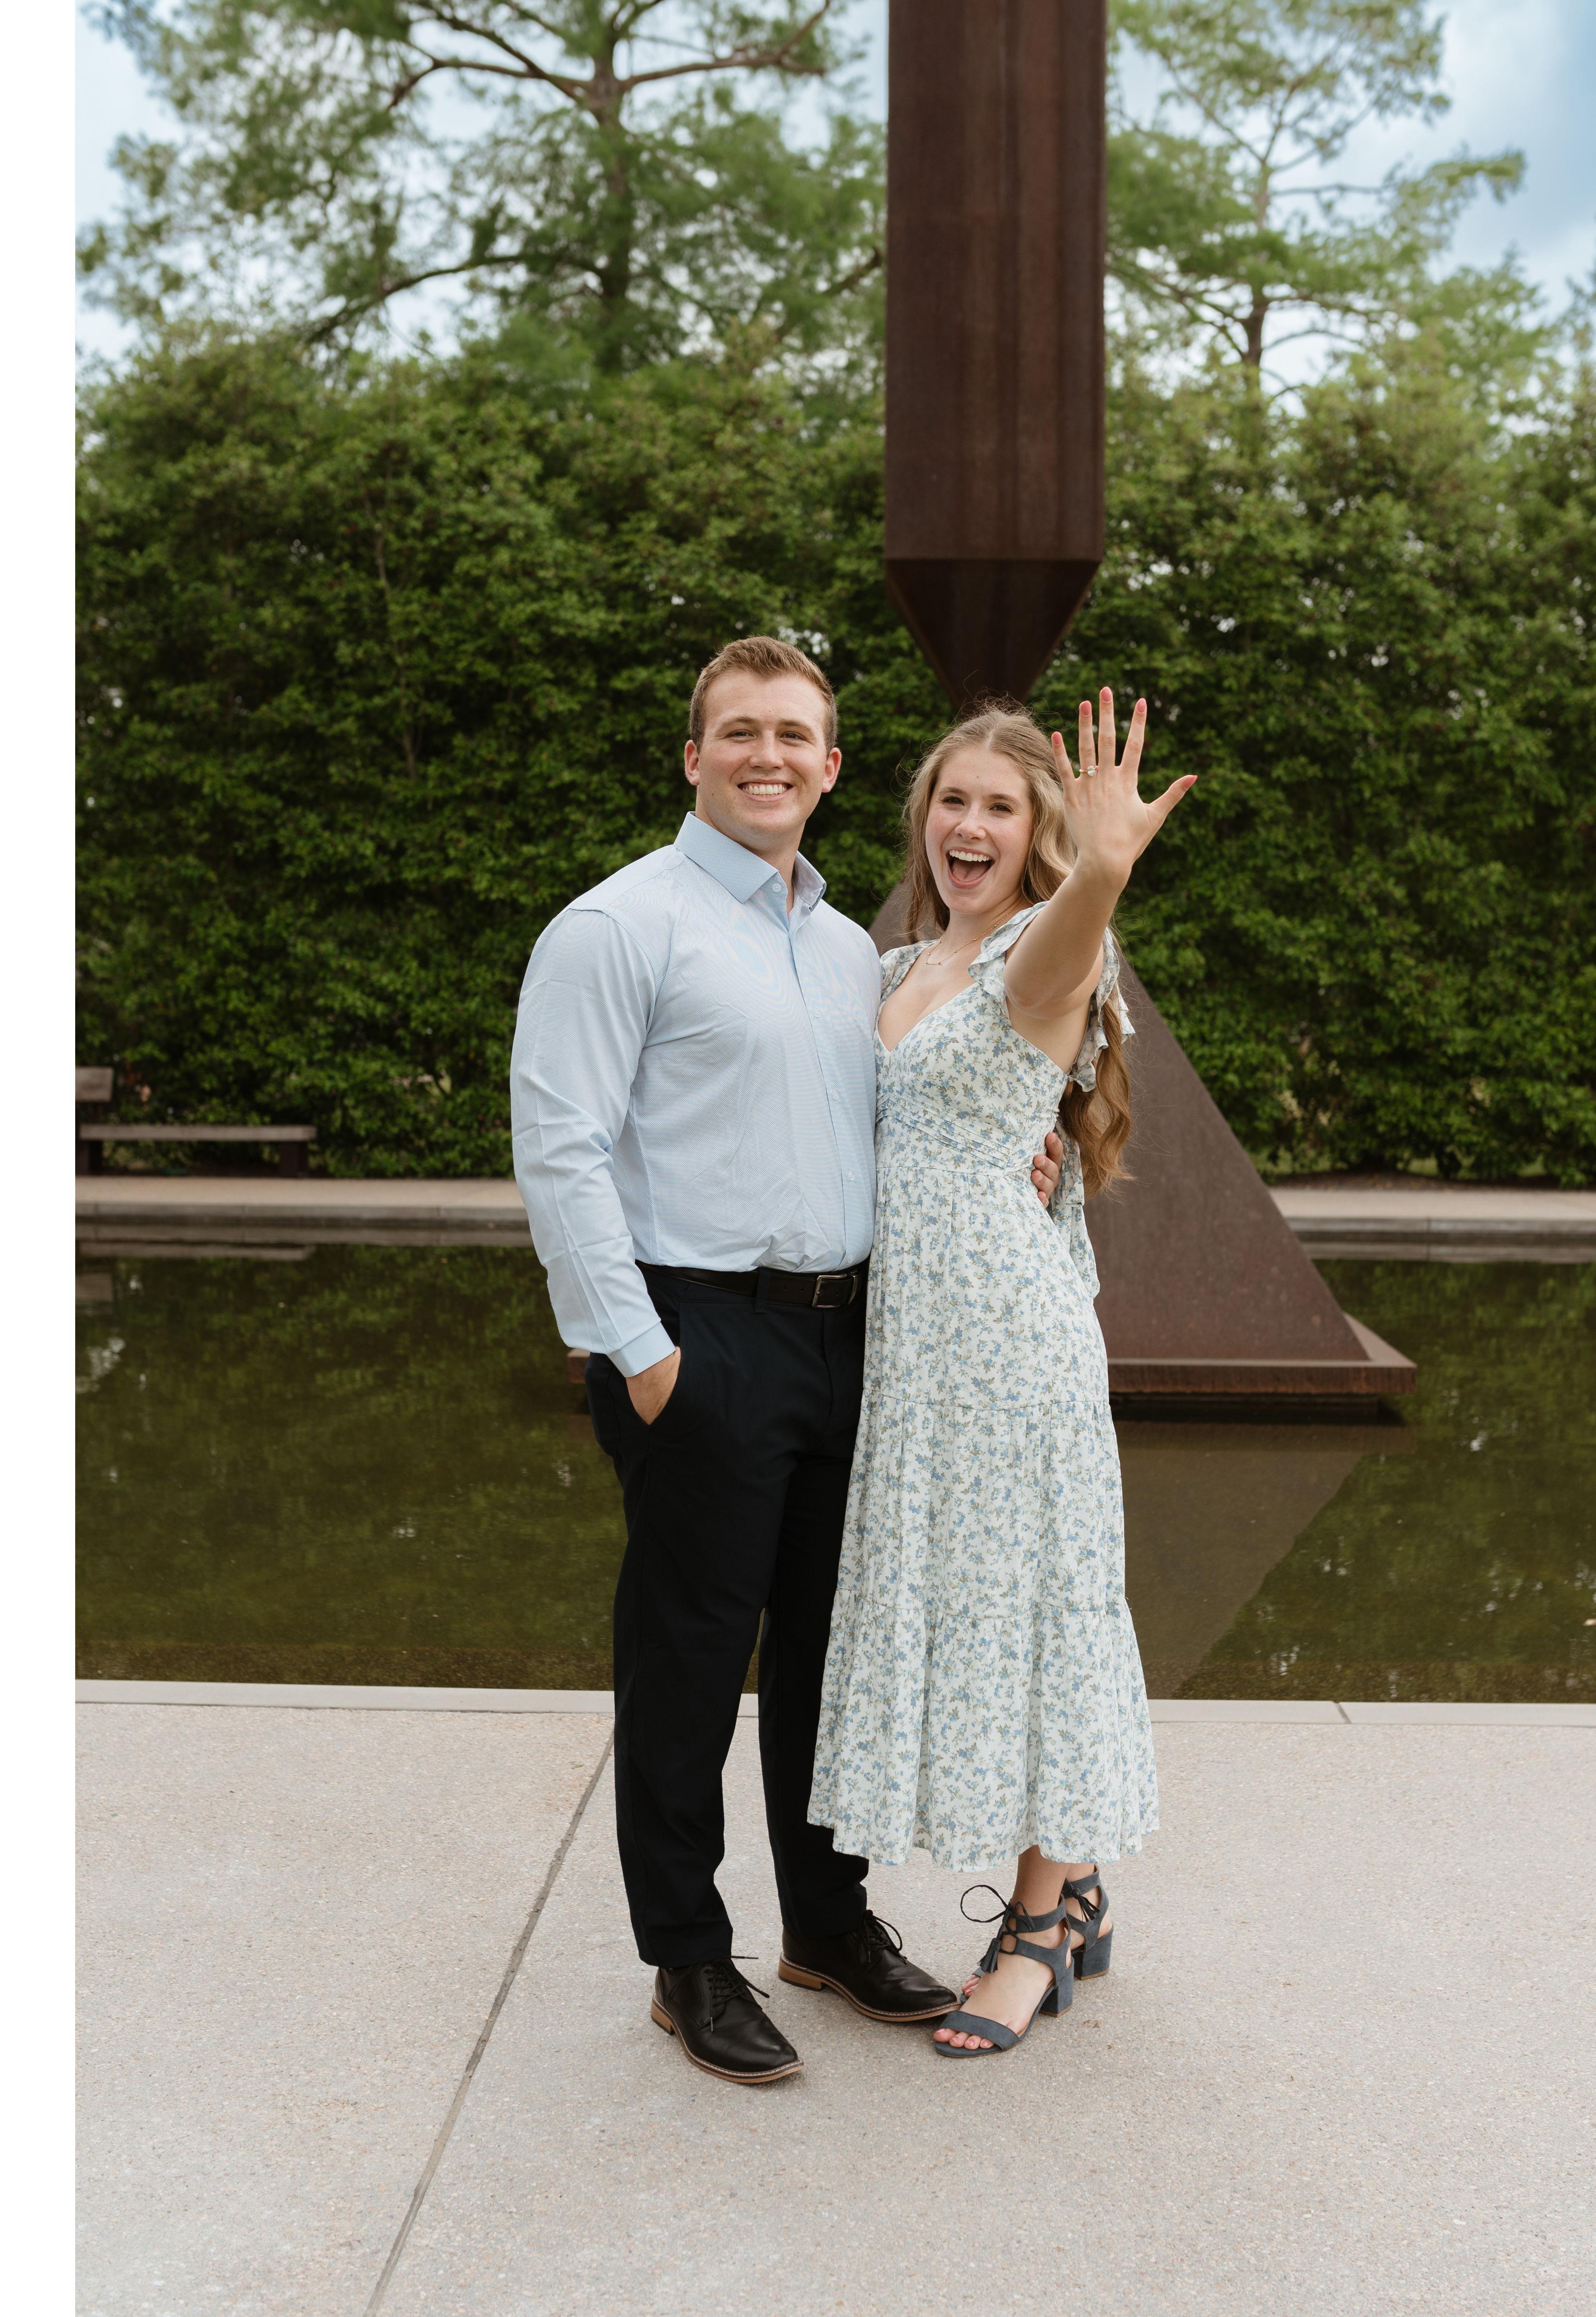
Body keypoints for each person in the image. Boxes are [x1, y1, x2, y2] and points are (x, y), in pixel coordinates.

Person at [509, 636, 1064, 2087]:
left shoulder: (846, 947)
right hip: (699, 1334)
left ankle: (824, 1923)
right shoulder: (617, 925)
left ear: (828, 766)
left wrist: (1034, 1154)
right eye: (739, 731)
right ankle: (687, 1956)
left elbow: (930, 1107)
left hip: (853, 1335)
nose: (769, 753)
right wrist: (639, 1354)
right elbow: (559, 1152)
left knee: (830, 1656)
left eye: (795, 734)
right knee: (688, 1662)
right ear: (694, 757)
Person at [806, 688, 1192, 2056]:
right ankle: (1074, 1885)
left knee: (1037, 1609)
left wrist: (1099, 867)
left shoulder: (1040, 944)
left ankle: (1036, 1923)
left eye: (999, 806)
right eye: (952, 800)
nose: (968, 824)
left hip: (1007, 1347)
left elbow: (1056, 976)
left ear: (1034, 837)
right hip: (912, 1356)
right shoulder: (894, 958)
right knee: (978, 1605)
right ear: (922, 816)